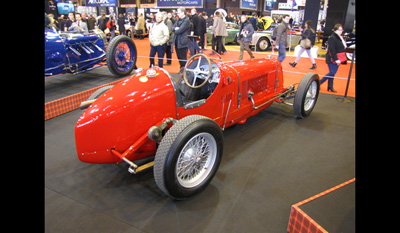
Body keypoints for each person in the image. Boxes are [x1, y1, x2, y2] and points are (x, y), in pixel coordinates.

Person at [320, 24, 347, 93]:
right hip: (332, 58)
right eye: (339, 30)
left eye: (341, 30)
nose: (341, 31)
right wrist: (336, 59)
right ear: (335, 30)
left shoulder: (339, 37)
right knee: (332, 72)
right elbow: (332, 50)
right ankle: (319, 83)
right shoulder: (332, 38)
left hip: (338, 57)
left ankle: (330, 86)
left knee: (332, 73)